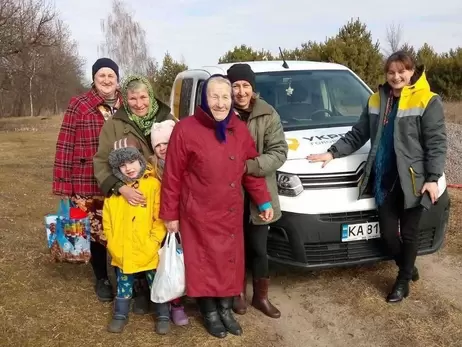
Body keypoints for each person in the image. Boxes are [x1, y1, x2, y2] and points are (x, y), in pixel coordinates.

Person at [307, 51, 447, 303]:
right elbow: (358, 133)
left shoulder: (428, 100)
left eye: (401, 71)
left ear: (411, 71)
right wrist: (332, 153)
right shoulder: (375, 100)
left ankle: (402, 281)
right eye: (391, 72)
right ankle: (408, 265)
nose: (396, 77)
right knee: (388, 235)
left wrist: (433, 177)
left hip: (413, 180)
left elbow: (436, 143)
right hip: (384, 178)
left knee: (411, 233)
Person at [159, 75, 274, 338]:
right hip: (197, 213)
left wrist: (263, 200)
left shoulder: (239, 129)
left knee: (228, 263)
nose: (220, 103)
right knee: (203, 263)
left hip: (230, 211)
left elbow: (250, 170)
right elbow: (172, 176)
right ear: (204, 99)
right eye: (214, 96)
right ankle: (209, 312)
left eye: (225, 97)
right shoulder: (186, 129)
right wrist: (170, 214)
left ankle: (225, 309)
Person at [93, 74, 174, 314]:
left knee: (160, 240)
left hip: (163, 191)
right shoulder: (114, 125)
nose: (139, 103)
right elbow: (101, 162)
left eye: (143, 97)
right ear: (125, 100)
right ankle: (139, 291)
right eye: (133, 98)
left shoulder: (167, 119)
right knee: (134, 238)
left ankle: (165, 291)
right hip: (131, 195)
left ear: (150, 95)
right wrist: (120, 188)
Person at [53, 58, 122, 302]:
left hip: (120, 178)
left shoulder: (127, 103)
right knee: (95, 232)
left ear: (117, 79)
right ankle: (102, 278)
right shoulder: (79, 104)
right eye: (101, 75)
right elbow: (65, 141)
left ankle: (126, 276)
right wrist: (63, 183)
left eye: (110, 76)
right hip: (87, 179)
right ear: (94, 78)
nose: (106, 80)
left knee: (121, 229)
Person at [227, 63, 288, 318]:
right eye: (236, 86)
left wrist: (249, 166)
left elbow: (279, 152)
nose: (241, 92)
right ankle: (237, 294)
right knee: (234, 247)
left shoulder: (267, 113)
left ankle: (261, 297)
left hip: (259, 191)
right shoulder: (221, 113)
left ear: (253, 88)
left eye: (245, 86)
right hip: (228, 195)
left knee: (259, 248)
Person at [102, 138, 169, 334]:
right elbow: (108, 221)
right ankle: (120, 314)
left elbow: (160, 217)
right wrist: (112, 243)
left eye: (131, 162)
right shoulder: (115, 194)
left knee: (155, 282)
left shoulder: (153, 186)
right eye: (122, 165)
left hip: (148, 247)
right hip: (122, 248)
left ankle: (163, 314)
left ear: (140, 160)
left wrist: (154, 240)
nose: (128, 168)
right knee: (124, 282)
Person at [149, 119, 189, 327]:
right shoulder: (152, 170)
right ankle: (175, 303)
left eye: (166, 143)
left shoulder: (187, 163)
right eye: (158, 145)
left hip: (188, 220)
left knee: (186, 262)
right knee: (169, 264)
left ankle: (193, 295)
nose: (162, 148)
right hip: (164, 224)